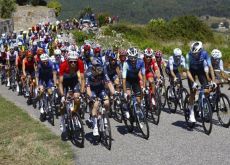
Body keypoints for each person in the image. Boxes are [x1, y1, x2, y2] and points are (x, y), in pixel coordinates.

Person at [186, 41, 216, 123]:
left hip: (200, 71)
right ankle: (191, 112)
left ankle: (201, 105)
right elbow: (187, 71)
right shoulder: (188, 56)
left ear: (201, 50)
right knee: (193, 91)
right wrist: (194, 82)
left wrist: (213, 81)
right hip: (191, 72)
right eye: (193, 53)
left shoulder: (205, 54)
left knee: (206, 90)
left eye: (196, 53)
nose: (195, 55)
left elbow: (210, 68)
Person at [85, 58, 115, 136]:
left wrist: (113, 92)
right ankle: (95, 126)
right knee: (96, 104)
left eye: (101, 66)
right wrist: (91, 97)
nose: (100, 68)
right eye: (98, 66)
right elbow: (87, 88)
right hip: (92, 90)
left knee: (107, 102)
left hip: (101, 89)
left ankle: (105, 116)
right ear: (93, 67)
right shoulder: (88, 73)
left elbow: (109, 83)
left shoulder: (103, 71)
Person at [59, 51, 85, 138]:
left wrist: (81, 91)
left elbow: (82, 78)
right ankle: (62, 120)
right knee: (63, 103)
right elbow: (60, 82)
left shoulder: (80, 63)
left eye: (75, 61)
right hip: (65, 82)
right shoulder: (63, 65)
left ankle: (74, 114)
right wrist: (62, 95)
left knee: (77, 99)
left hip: (73, 80)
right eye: (71, 61)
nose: (73, 63)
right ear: (68, 61)